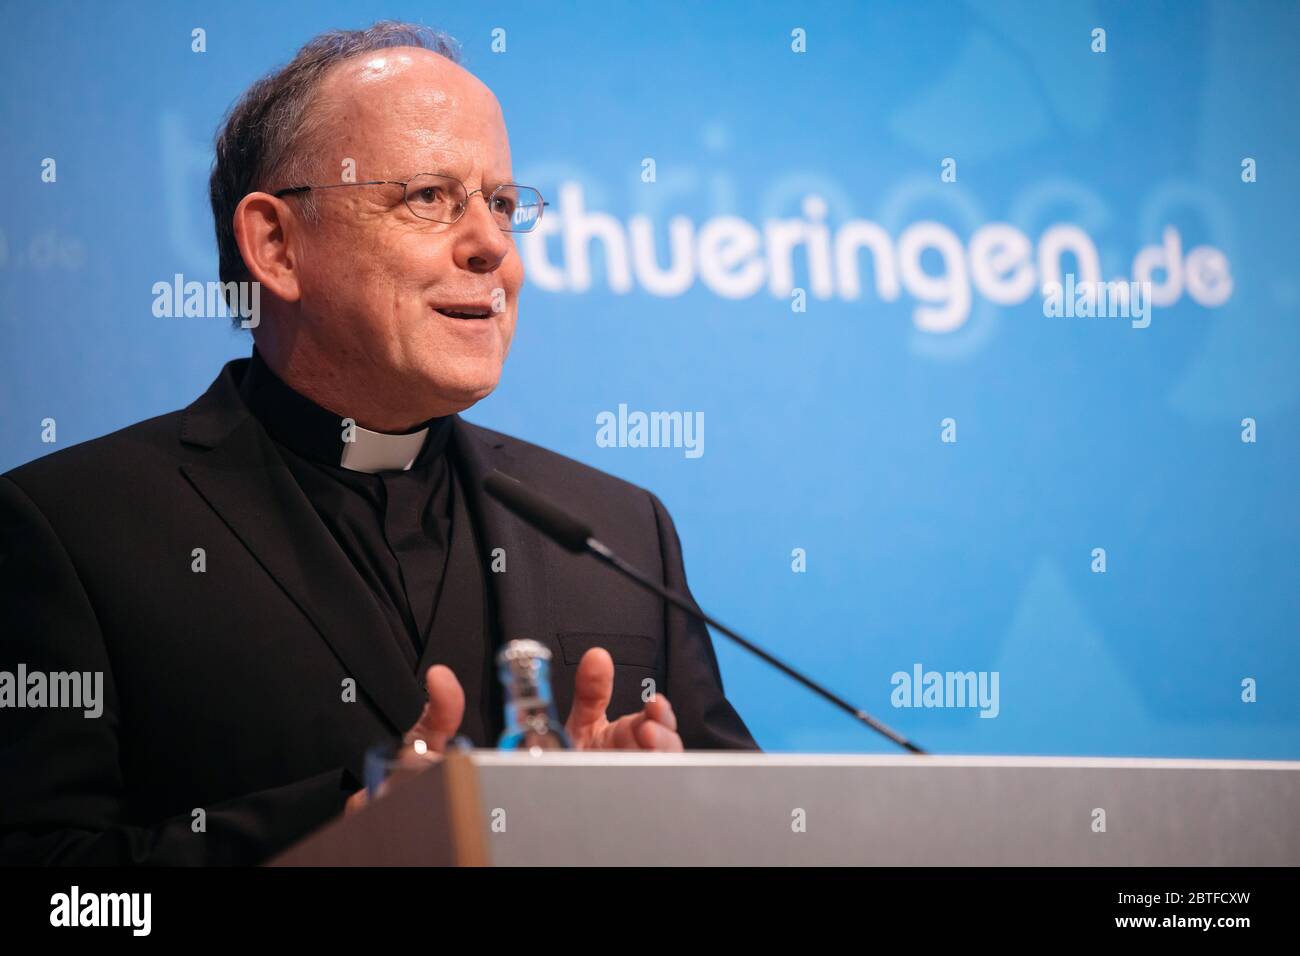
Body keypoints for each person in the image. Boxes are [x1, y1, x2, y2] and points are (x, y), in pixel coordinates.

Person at [0, 21, 754, 866]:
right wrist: (344, 830)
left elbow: (758, 832)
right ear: (277, 246)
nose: (492, 247)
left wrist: (661, 813)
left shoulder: (614, 529)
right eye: (428, 197)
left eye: (502, 204)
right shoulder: (67, 529)